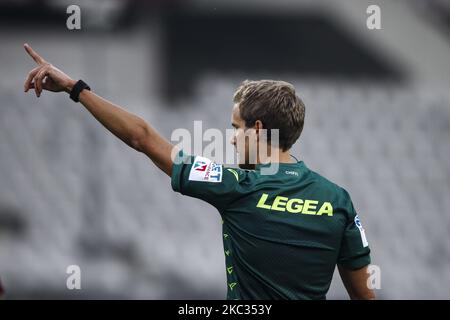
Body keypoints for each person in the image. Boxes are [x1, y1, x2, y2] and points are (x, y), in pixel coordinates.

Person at [23, 43, 375, 300]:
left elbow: (142, 137)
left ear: (256, 128)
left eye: (235, 128)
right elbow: (364, 296)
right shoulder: (338, 200)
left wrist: (75, 88)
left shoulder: (237, 186)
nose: (233, 140)